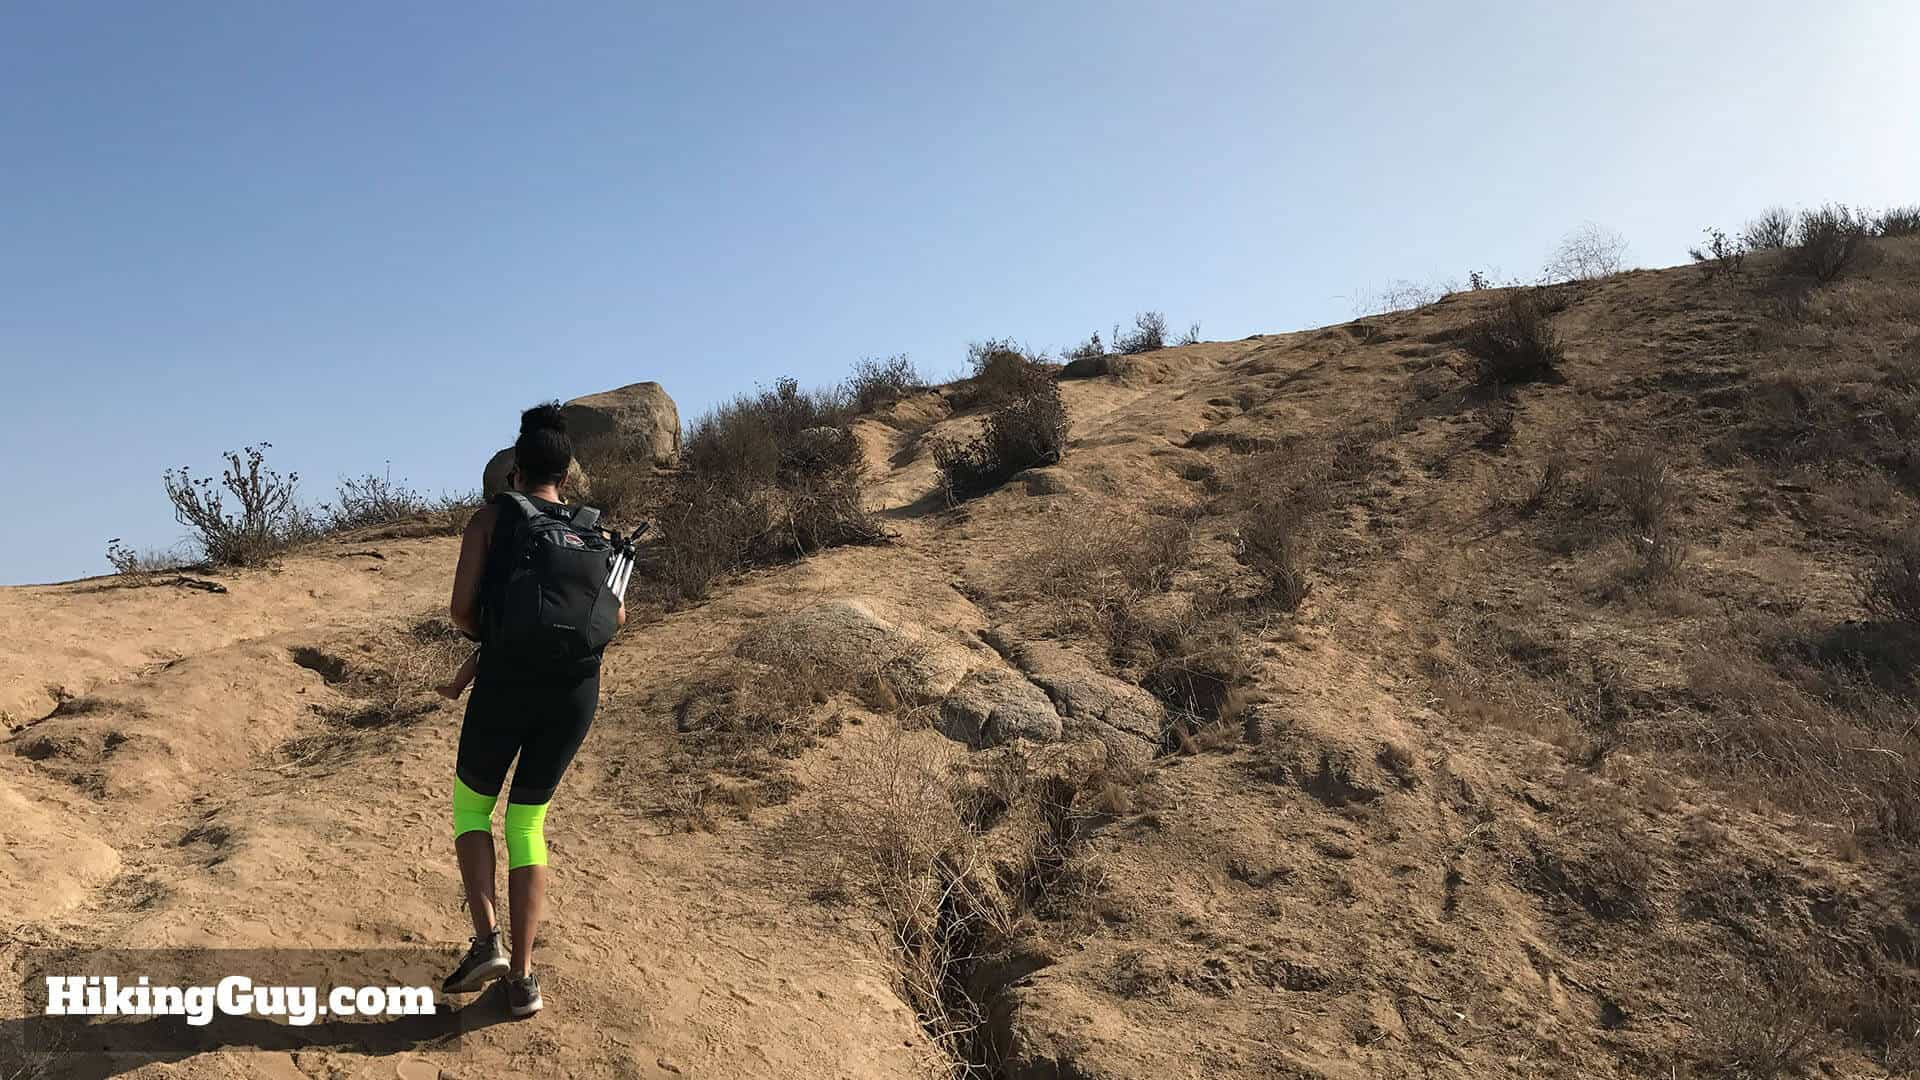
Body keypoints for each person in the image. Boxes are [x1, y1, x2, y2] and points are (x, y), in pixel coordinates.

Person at [440, 403, 623, 1018]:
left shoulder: (492, 518)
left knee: (472, 807)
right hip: (575, 691)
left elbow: (461, 609)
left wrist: (496, 638)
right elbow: (615, 618)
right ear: (565, 476)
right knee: (527, 823)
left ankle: (486, 939)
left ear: (515, 469)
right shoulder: (596, 531)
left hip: (508, 683)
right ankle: (522, 980)